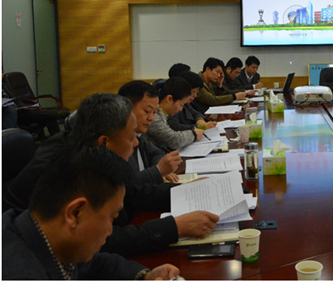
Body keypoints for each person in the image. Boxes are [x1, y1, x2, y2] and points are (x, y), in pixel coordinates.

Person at [3, 93, 220, 257]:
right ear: (105, 142)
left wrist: (186, 191)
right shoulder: (66, 167)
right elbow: (102, 240)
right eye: (131, 138)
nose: (136, 144)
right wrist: (174, 227)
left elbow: (131, 193)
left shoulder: (90, 148)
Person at [2, 143, 181, 280]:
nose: (110, 230)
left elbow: (91, 264)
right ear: (75, 213)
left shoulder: (41, 230)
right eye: (111, 218)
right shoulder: (19, 273)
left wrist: (143, 276)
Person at [118, 80, 182, 184]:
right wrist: (157, 171)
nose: (151, 118)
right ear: (126, 108)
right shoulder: (116, 141)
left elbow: (157, 153)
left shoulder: (139, 134)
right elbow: (126, 186)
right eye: (147, 111)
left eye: (154, 112)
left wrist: (161, 169)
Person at [146, 77, 204, 152]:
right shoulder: (154, 117)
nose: (181, 109)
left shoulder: (163, 115)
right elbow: (173, 139)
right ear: (169, 99)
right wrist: (194, 134)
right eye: (181, 105)